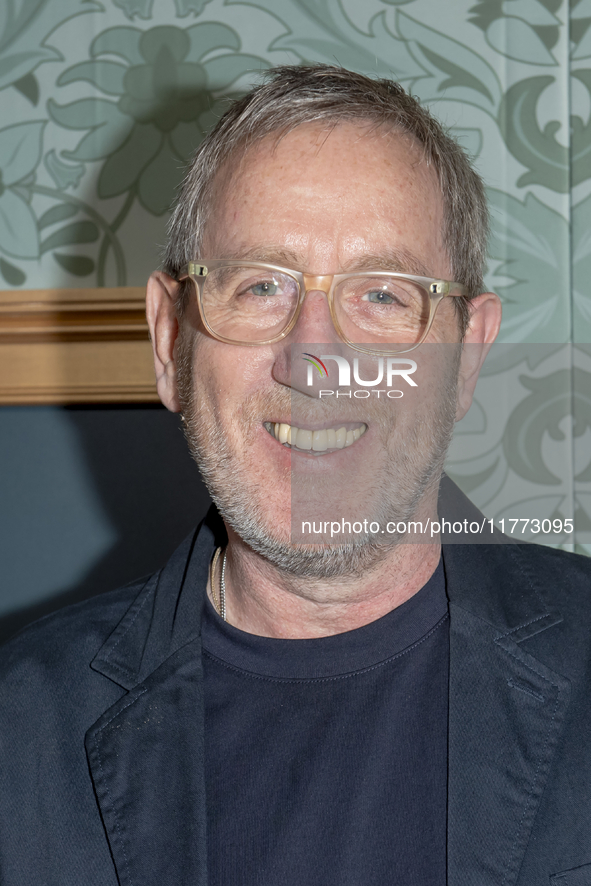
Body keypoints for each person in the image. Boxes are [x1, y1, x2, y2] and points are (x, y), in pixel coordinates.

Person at [1, 65, 591, 886]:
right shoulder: (16, 734)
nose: (315, 359)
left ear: (465, 357)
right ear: (171, 341)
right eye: (260, 286)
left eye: (383, 296)